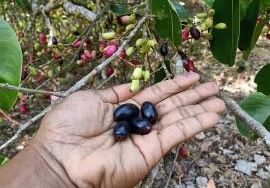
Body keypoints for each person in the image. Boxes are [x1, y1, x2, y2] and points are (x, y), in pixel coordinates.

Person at [0, 72, 225, 188]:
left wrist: (51, 166)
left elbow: (140, 119)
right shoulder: (125, 123)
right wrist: (50, 163)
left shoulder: (131, 122)